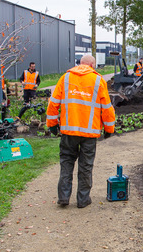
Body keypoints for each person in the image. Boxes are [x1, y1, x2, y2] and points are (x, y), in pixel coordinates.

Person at [46, 54, 116, 208]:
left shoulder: (65, 78)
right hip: (89, 134)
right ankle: (83, 200)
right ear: (92, 65)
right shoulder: (98, 80)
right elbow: (107, 108)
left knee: (66, 163)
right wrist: (109, 129)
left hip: (68, 132)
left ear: (80, 63)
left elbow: (53, 103)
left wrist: (52, 124)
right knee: (85, 166)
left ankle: (63, 197)